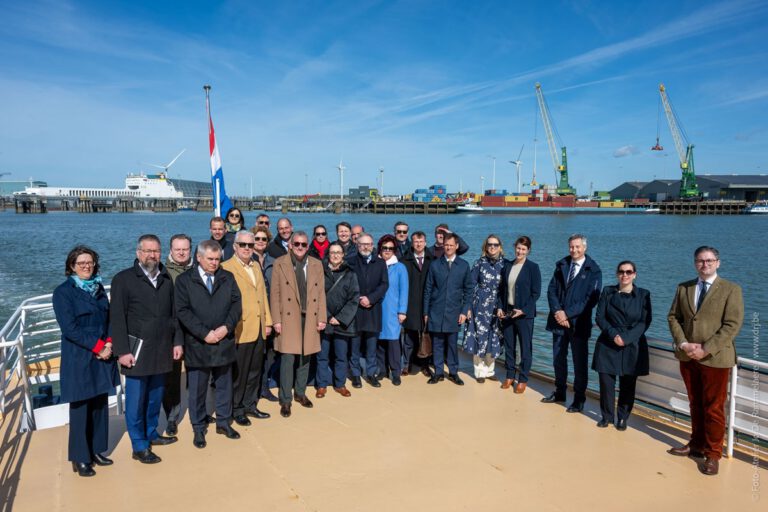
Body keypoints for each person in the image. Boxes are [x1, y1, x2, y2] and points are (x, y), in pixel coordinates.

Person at [667, 246, 743, 476]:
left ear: (718, 263)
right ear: (695, 263)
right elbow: (673, 317)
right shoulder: (684, 287)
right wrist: (683, 344)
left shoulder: (731, 289)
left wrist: (706, 349)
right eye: (700, 261)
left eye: (709, 260)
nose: (705, 264)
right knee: (695, 403)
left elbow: (732, 324)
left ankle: (713, 454)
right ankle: (697, 444)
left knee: (714, 408)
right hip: (688, 356)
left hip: (716, 359)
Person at [111, 234, 181, 464]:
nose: (152, 255)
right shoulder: (123, 279)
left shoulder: (165, 278)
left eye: (156, 251)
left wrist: (177, 342)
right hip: (137, 351)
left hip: (161, 349)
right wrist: (122, 351)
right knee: (136, 401)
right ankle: (138, 445)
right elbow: (117, 319)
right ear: (138, 253)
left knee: (154, 398)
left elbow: (173, 315)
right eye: (147, 251)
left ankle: (151, 433)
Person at [52, 246, 119, 477]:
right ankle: (80, 457)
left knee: (100, 404)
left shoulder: (98, 289)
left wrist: (109, 342)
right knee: (80, 407)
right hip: (79, 356)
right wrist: (98, 347)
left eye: (89, 262)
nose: (86, 266)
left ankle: (98, 450)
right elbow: (70, 329)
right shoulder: (63, 292)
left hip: (103, 355)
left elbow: (109, 318)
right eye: (81, 263)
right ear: (72, 266)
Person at [175, 240, 243, 449]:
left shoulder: (227, 277)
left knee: (224, 386)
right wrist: (204, 333)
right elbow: (182, 310)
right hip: (198, 343)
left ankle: (223, 422)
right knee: (197, 390)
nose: (214, 263)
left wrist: (226, 328)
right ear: (198, 257)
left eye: (217, 259)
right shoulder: (185, 280)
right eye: (210, 259)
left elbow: (236, 305)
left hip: (223, 341)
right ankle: (198, 427)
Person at [270, 231, 327, 418]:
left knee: (305, 357)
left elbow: (320, 294)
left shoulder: (316, 264)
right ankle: (285, 399)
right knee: (287, 359)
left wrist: (322, 317)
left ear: (308, 246)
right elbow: (275, 294)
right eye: (297, 244)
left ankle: (300, 393)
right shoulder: (280, 263)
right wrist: (276, 320)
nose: (300, 247)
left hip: (310, 316)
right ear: (290, 245)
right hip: (288, 317)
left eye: (303, 244)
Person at [542, 234, 602, 413]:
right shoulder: (562, 265)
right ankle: (560, 392)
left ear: (584, 248)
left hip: (579, 325)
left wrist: (567, 314)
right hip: (558, 322)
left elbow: (591, 299)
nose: (574, 250)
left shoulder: (594, 270)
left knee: (579, 363)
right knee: (558, 359)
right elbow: (551, 290)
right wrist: (558, 312)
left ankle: (578, 399)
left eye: (577, 247)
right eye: (571, 247)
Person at [592, 260, 651, 431]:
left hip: (632, 344)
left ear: (634, 274)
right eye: (621, 272)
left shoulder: (643, 295)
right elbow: (600, 317)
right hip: (608, 342)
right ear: (617, 274)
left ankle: (623, 417)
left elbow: (644, 322)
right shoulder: (608, 292)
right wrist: (614, 335)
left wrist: (626, 338)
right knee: (606, 382)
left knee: (628, 384)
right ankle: (607, 416)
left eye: (629, 272)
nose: (625, 275)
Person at [222, 231, 273, 426]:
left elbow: (262, 297)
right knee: (239, 374)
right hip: (240, 329)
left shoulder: (256, 266)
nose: (246, 248)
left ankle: (251, 404)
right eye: (242, 244)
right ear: (234, 246)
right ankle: (237, 408)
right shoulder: (226, 268)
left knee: (255, 371)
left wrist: (268, 321)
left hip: (259, 328)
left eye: (250, 245)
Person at [424, 233, 473, 386]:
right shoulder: (435, 265)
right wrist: (426, 312)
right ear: (443, 246)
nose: (449, 247)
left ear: (457, 246)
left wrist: (464, 311)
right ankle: (438, 373)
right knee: (437, 344)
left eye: (451, 245)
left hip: (454, 312)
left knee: (452, 345)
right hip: (436, 311)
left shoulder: (464, 265)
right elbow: (428, 289)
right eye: (446, 245)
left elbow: (469, 290)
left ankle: (453, 372)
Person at [496, 236, 541, 393]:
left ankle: (522, 379)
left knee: (525, 348)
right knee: (509, 346)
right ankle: (509, 375)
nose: (520, 251)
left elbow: (536, 294)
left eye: (523, 249)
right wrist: (500, 307)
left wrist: (523, 310)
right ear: (514, 247)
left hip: (524, 315)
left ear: (528, 250)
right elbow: (502, 291)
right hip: (508, 312)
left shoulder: (533, 268)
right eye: (518, 248)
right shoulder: (508, 265)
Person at [316, 242, 359, 398]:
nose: (335, 255)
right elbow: (316, 295)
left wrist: (340, 318)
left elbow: (354, 298)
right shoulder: (320, 271)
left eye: (338, 252)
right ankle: (321, 385)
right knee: (322, 355)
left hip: (342, 323)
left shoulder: (350, 274)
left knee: (341, 355)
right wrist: (327, 316)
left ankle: (340, 384)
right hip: (324, 320)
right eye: (332, 252)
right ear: (328, 254)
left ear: (343, 255)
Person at [346, 233, 389, 388]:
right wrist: (358, 298)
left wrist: (370, 298)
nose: (366, 247)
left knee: (372, 346)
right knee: (355, 346)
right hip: (355, 310)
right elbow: (347, 284)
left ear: (373, 245)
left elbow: (384, 284)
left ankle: (371, 374)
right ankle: (356, 374)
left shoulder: (380, 263)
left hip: (373, 309)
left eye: (369, 244)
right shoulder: (350, 262)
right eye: (362, 244)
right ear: (357, 245)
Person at [162, 234, 193, 436]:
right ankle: (172, 417)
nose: (181, 252)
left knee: (198, 374)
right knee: (172, 378)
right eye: (178, 249)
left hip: (194, 330)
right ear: (171, 250)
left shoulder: (198, 268)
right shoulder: (163, 272)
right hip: (173, 331)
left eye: (185, 249)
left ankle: (200, 410)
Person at [464, 235, 505, 383]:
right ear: (485, 247)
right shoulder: (479, 263)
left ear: (500, 247)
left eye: (495, 244)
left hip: (497, 306)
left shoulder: (505, 265)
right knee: (479, 337)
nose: (492, 247)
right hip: (479, 305)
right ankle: (480, 372)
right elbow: (470, 285)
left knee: (494, 338)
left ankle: (489, 370)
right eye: (489, 245)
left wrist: (503, 306)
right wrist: (467, 307)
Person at [376, 235, 409, 385]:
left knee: (394, 342)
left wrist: (402, 311)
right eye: (384, 248)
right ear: (380, 249)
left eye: (390, 248)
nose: (387, 251)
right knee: (380, 342)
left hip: (393, 310)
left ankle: (396, 372)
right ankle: (382, 370)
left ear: (394, 250)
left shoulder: (400, 267)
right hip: (377, 309)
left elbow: (404, 290)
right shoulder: (375, 264)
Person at [252, 225, 279, 402]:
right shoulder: (248, 261)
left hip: (271, 315)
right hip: (254, 316)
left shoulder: (273, 262)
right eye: (257, 239)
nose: (261, 242)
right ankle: (252, 390)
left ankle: (264, 387)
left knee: (267, 355)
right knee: (254, 356)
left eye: (264, 239)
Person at [401, 231, 434, 377]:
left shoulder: (432, 259)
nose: (418, 244)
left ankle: (425, 365)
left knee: (426, 336)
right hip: (410, 304)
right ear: (412, 243)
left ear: (425, 243)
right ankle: (406, 365)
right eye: (415, 241)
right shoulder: (405, 260)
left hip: (427, 304)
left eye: (421, 241)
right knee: (409, 338)